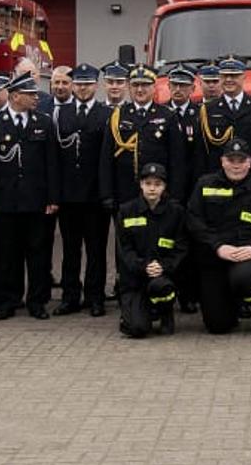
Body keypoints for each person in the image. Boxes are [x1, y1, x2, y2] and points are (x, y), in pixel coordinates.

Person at [186, 139, 251, 335]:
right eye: (231, 160)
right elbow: (193, 220)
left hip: (245, 259)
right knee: (217, 325)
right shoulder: (204, 185)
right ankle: (231, 307)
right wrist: (217, 246)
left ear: (250, 162)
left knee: (246, 277)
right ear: (222, 161)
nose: (236, 165)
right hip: (215, 258)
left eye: (241, 160)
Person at [0, 72, 61, 321]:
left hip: (37, 201)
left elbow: (52, 163)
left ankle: (37, 301)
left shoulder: (44, 121)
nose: (35, 98)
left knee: (38, 254)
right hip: (6, 200)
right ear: (16, 96)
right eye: (30, 94)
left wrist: (52, 198)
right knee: (8, 254)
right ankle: (8, 300)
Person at [48, 65, 113, 317]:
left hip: (95, 196)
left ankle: (95, 297)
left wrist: (106, 193)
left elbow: (107, 159)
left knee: (96, 250)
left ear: (95, 86)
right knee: (70, 249)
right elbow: (54, 160)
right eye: (79, 84)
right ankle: (70, 296)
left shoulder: (106, 114)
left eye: (88, 84)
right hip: (69, 196)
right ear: (73, 86)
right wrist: (55, 195)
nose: (83, 88)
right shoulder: (59, 115)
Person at [100, 66, 187, 214]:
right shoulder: (118, 115)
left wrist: (175, 194)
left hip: (158, 192)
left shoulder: (168, 116)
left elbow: (177, 159)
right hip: (125, 192)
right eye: (135, 85)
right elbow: (106, 158)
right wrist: (106, 193)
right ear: (129, 87)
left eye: (145, 85)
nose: (140, 90)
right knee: (126, 235)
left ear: (154, 87)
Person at [115, 163, 188, 338]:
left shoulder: (176, 213)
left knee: (161, 286)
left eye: (157, 184)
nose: (152, 189)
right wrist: (143, 266)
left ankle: (165, 313)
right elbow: (125, 249)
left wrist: (163, 266)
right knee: (137, 329)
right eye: (148, 183)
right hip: (135, 279)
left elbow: (181, 248)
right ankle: (140, 312)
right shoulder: (126, 211)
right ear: (141, 184)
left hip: (163, 277)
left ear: (164, 187)